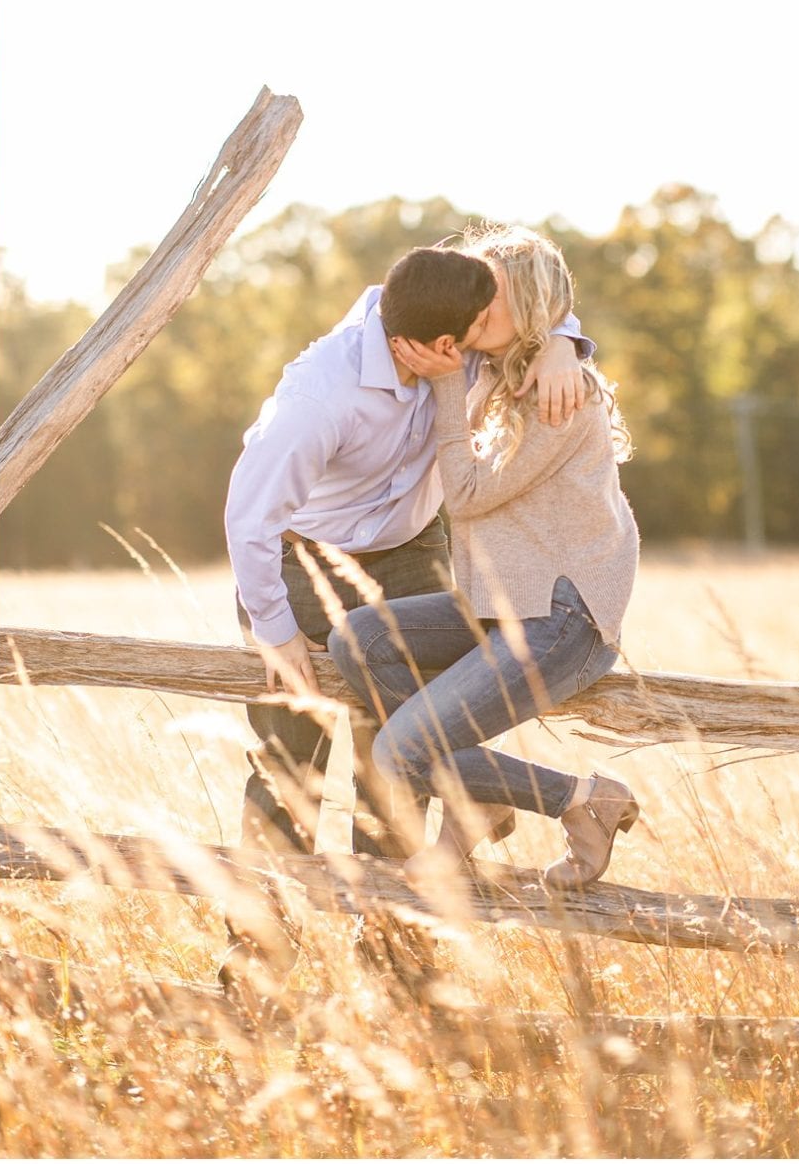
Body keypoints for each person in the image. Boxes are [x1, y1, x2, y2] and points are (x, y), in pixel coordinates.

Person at [223, 247, 592, 865]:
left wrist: (563, 343)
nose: (488, 338)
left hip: (414, 552)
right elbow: (248, 519)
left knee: (394, 766)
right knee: (287, 766)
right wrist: (274, 628)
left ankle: (393, 949)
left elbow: (532, 305)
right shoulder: (318, 398)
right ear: (438, 345)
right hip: (302, 564)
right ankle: (260, 945)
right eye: (477, 332)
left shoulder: (448, 316)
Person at [328, 225, 641, 887]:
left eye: (487, 298)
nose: (470, 310)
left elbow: (465, 495)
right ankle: (480, 791)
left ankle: (584, 799)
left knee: (398, 750)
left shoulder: (563, 391)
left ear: (526, 303)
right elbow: (538, 305)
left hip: (561, 618)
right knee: (358, 640)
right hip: (500, 606)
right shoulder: (506, 368)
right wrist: (560, 337)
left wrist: (449, 384)